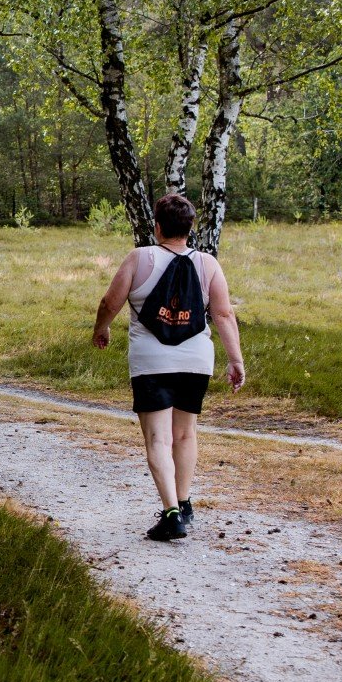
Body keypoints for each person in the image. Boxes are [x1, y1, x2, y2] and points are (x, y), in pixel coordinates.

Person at [92, 192, 247, 542]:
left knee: (158, 438)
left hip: (151, 360)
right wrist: (235, 360)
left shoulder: (139, 258)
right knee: (185, 433)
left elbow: (109, 302)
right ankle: (184, 500)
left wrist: (101, 329)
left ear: (157, 226)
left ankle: (172, 514)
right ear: (190, 229)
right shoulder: (208, 264)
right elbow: (223, 314)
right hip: (196, 360)